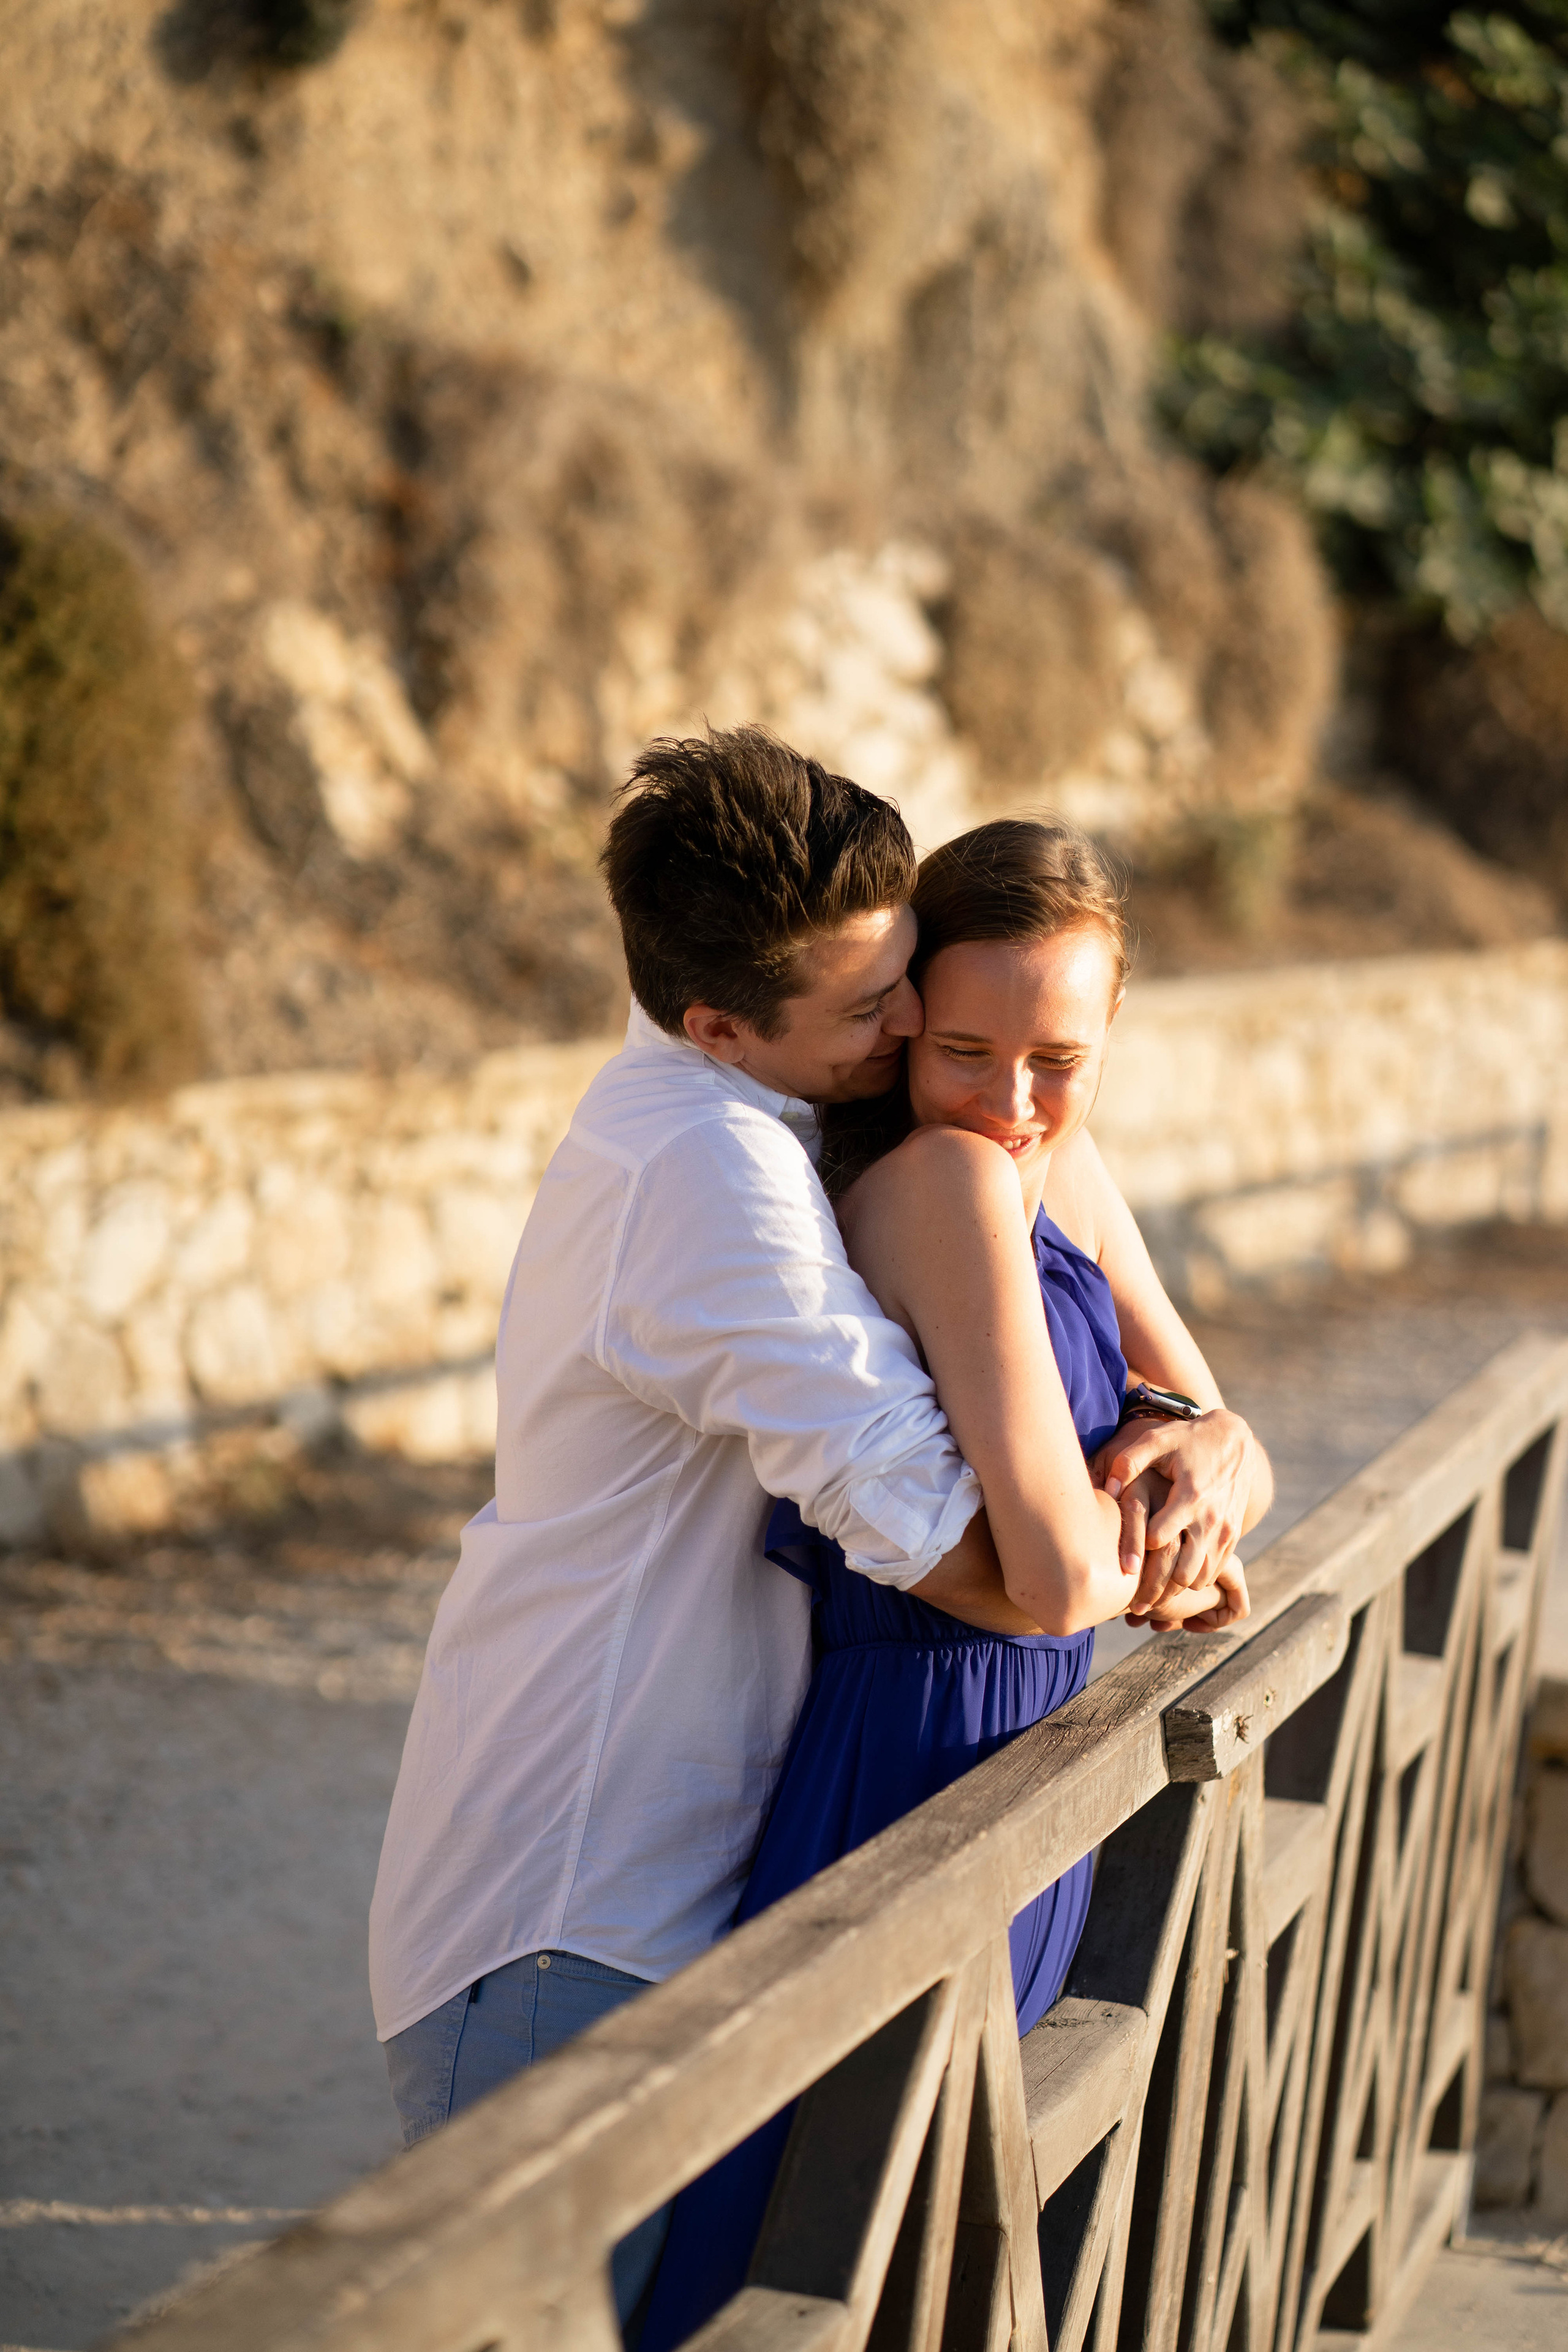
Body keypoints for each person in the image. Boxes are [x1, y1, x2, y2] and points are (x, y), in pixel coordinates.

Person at [368, 732, 1260, 2328]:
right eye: (880, 1010)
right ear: (722, 1025)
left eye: (903, 975)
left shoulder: (791, 1113)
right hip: (578, 1918)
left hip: (707, 1875)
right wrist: (1157, 1539)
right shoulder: (711, 1170)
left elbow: (1127, 1334)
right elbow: (997, 1559)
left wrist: (1204, 1439)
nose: (913, 1024)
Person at [639, 818, 1273, 2350]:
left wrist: (1207, 1454)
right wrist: (1163, 1522)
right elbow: (1065, 1566)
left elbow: (1213, 1437)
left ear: (1113, 1029)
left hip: (1021, 1746)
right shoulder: (950, 1184)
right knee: (830, 2244)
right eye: (965, 1050)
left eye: (1056, 1056)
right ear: (907, 1018)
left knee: (930, 2239)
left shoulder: (1061, 1166)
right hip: (911, 1764)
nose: (1008, 1102)